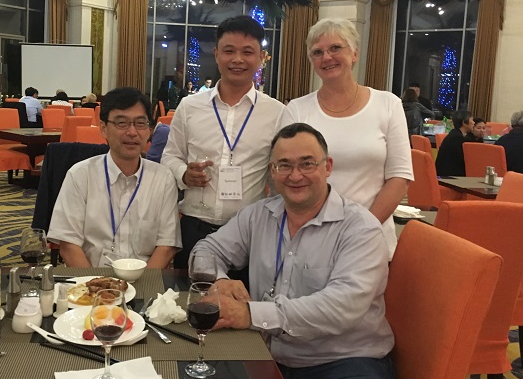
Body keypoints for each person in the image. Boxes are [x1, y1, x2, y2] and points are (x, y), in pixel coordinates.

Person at [194, 123, 394, 379]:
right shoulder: (258, 216)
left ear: (328, 167)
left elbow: (342, 307)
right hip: (264, 354)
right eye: (284, 165)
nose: (295, 175)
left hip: (344, 364)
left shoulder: (361, 229)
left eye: (307, 164)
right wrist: (219, 280)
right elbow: (204, 251)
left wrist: (250, 314)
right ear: (272, 171)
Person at [279, 18, 412, 257]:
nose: (326, 57)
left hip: (371, 238)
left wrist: (360, 231)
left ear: (354, 54)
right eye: (317, 52)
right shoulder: (296, 110)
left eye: (335, 48)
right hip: (310, 238)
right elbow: (288, 177)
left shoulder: (388, 104)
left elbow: (399, 177)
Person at [162, 15, 285, 269]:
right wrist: (184, 173)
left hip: (249, 230)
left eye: (247, 52)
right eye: (229, 51)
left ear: (261, 58)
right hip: (194, 226)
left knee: (245, 293)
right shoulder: (190, 106)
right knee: (188, 293)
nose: (237, 59)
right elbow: (170, 156)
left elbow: (278, 177)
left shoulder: (277, 113)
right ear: (217, 55)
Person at [47, 87, 181, 268]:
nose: (132, 132)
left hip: (145, 278)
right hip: (90, 277)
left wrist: (144, 284)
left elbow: (166, 245)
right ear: (103, 129)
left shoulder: (163, 179)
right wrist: (96, 284)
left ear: (149, 130)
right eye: (122, 123)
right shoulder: (80, 175)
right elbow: (68, 245)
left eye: (140, 123)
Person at [435, 109, 474, 176]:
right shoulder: (457, 139)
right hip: (449, 177)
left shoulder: (454, 134)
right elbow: (466, 161)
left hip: (443, 174)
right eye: (472, 120)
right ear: (464, 123)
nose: (474, 122)